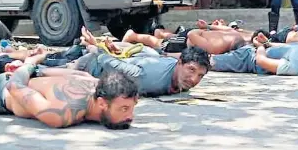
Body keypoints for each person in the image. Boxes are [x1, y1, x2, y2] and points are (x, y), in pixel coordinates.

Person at [0, 62, 139, 129]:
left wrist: (36, 71)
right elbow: (14, 86)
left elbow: (79, 74)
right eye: (124, 109)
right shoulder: (62, 112)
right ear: (103, 103)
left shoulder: (94, 84)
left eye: (130, 108)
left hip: (16, 81)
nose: (130, 116)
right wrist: (28, 66)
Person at [69, 46, 211, 97]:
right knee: (54, 69)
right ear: (180, 63)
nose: (194, 80)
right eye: (191, 70)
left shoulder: (174, 66)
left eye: (200, 75)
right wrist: (97, 51)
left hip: (121, 59)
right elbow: (112, 64)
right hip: (90, 66)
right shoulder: (149, 80)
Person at [211, 38, 298, 76]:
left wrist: (266, 43)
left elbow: (286, 47)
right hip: (247, 59)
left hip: (257, 50)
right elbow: (261, 62)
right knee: (208, 62)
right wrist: (259, 46)